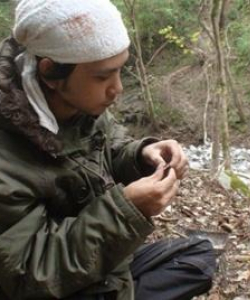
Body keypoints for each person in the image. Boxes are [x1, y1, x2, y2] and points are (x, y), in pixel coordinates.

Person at [0, 0, 216, 299]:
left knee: (199, 257)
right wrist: (127, 212)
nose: (117, 89)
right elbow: (25, 272)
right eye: (103, 76)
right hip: (49, 285)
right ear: (50, 72)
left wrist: (142, 155)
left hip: (102, 265)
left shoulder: (79, 103)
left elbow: (109, 146)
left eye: (120, 71)